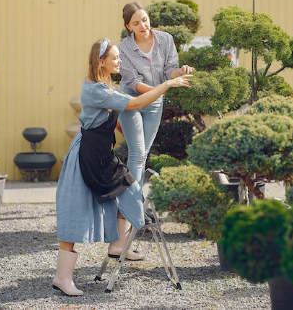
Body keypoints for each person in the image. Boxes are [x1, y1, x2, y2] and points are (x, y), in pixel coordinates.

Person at [53, 38, 191, 296]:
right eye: (115, 58)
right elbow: (136, 104)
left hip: (99, 154)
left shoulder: (103, 82)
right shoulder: (97, 89)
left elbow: (127, 97)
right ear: (101, 62)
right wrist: (167, 84)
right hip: (85, 156)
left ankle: (118, 245)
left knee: (127, 184)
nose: (120, 61)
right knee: (75, 212)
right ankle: (62, 278)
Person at [118, 1, 194, 189]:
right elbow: (134, 83)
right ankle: (133, 207)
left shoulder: (166, 39)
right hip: (131, 101)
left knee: (143, 153)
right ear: (128, 26)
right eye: (136, 24)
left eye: (145, 20)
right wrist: (163, 88)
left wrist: (180, 71)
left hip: (154, 102)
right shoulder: (123, 49)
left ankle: (133, 201)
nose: (142, 26)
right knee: (136, 153)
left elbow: (169, 70)